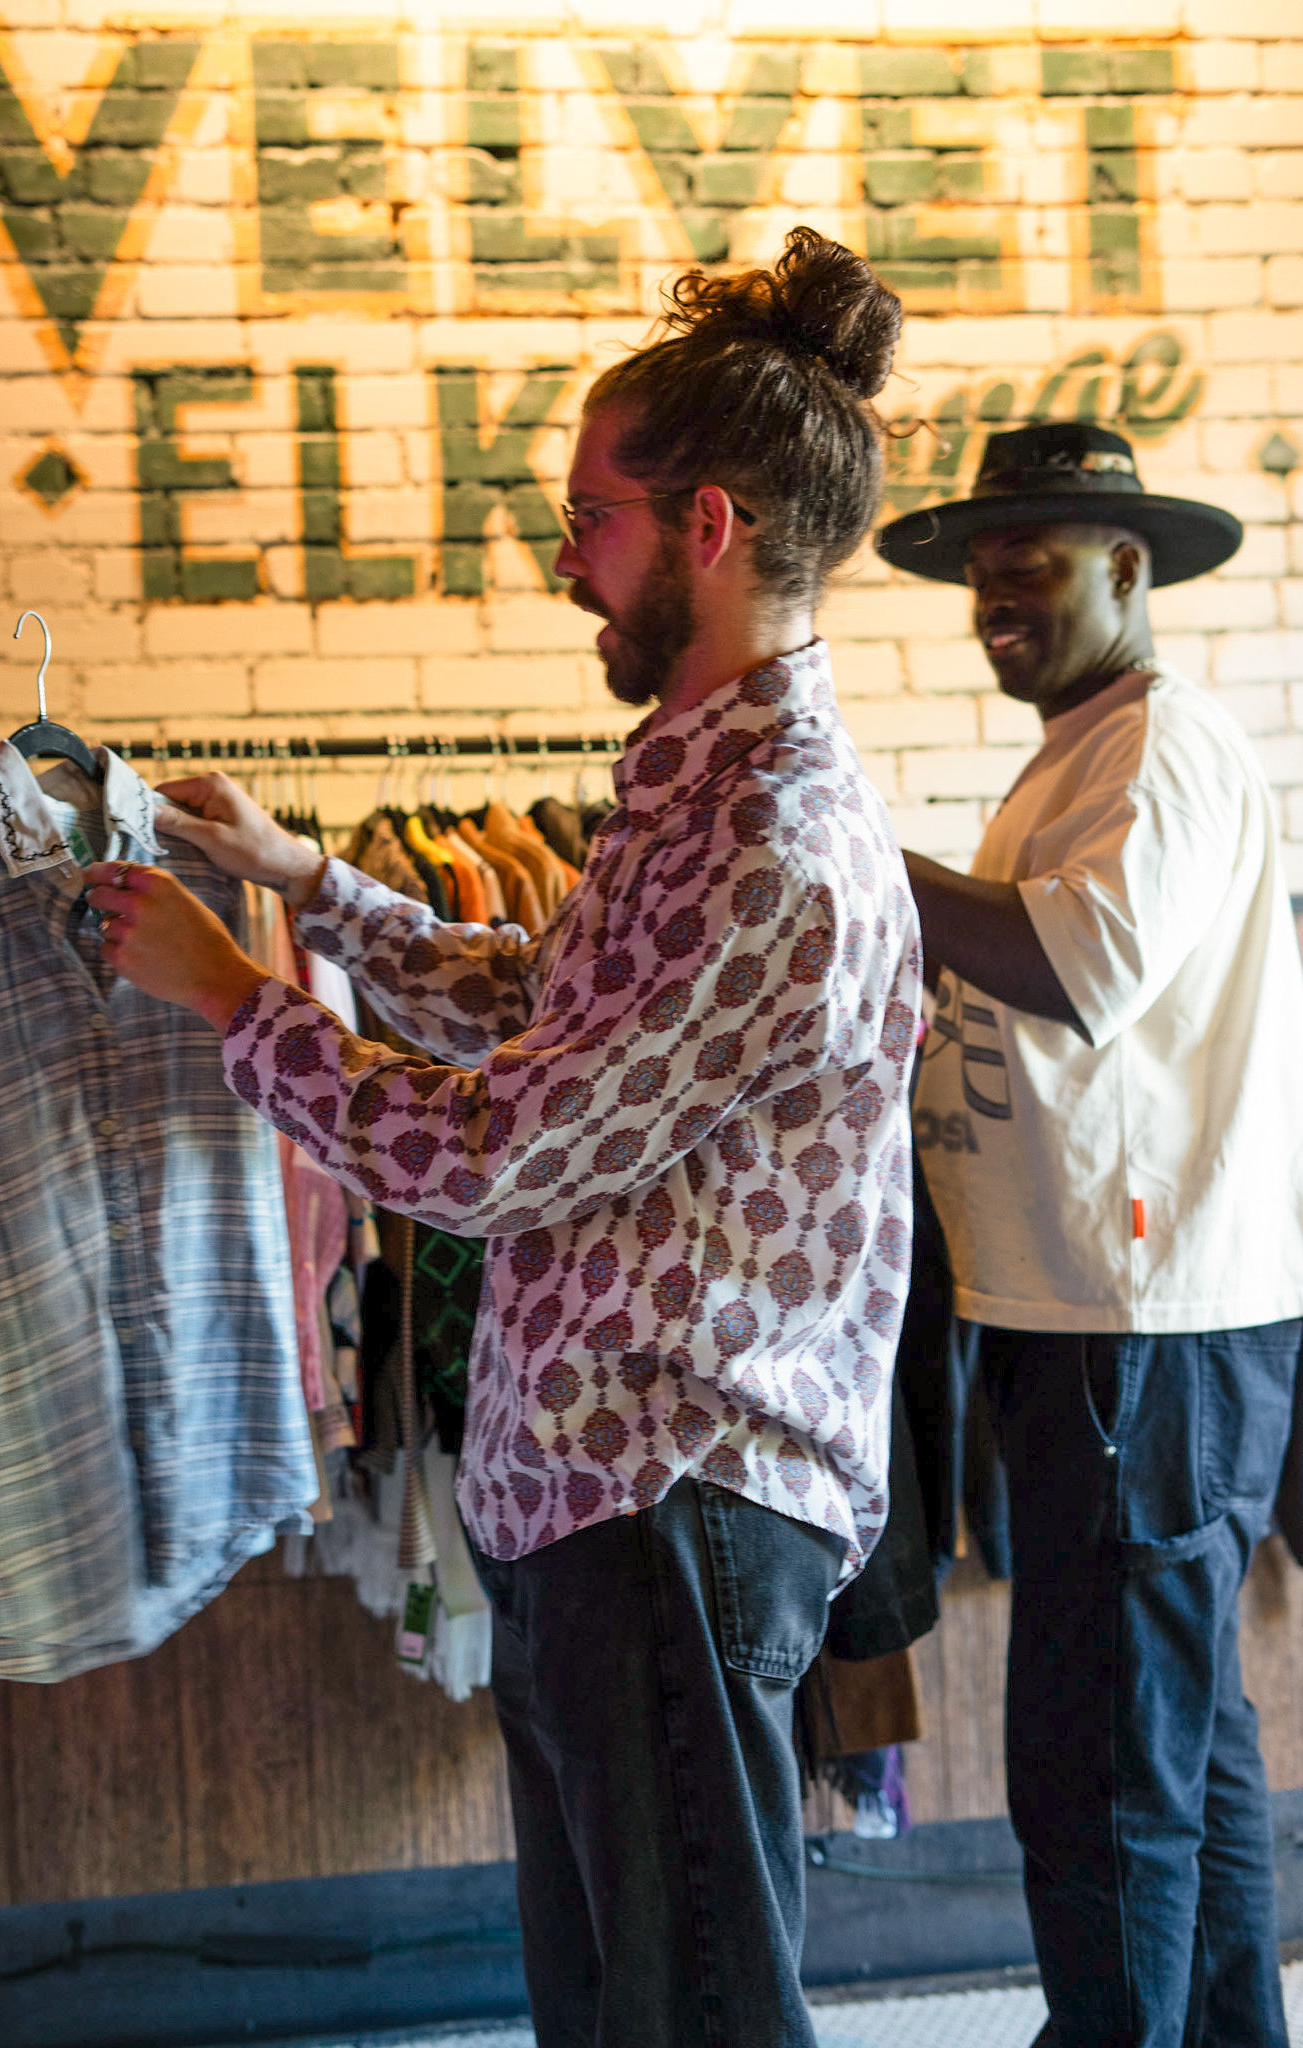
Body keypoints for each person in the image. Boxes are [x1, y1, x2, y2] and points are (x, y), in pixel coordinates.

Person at [86, 225, 920, 2048]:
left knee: (691, 2013)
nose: (563, 559)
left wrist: (235, 993)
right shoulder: (694, 799)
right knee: (617, 2008)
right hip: (603, 1504)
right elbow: (540, 1010)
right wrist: (307, 883)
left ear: (707, 527)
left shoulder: (769, 843)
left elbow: (498, 1156)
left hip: (674, 1509)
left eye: (590, 518)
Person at [878, 420, 1303, 2048]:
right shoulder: (1081, 748)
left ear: (1127, 569)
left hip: (1139, 1325)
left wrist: (863, 863)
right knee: (1174, 1741)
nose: (994, 595)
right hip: (1100, 1313)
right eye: (981, 570)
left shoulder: (1153, 745)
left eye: (1030, 564)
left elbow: (1079, 967)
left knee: (1101, 1760)